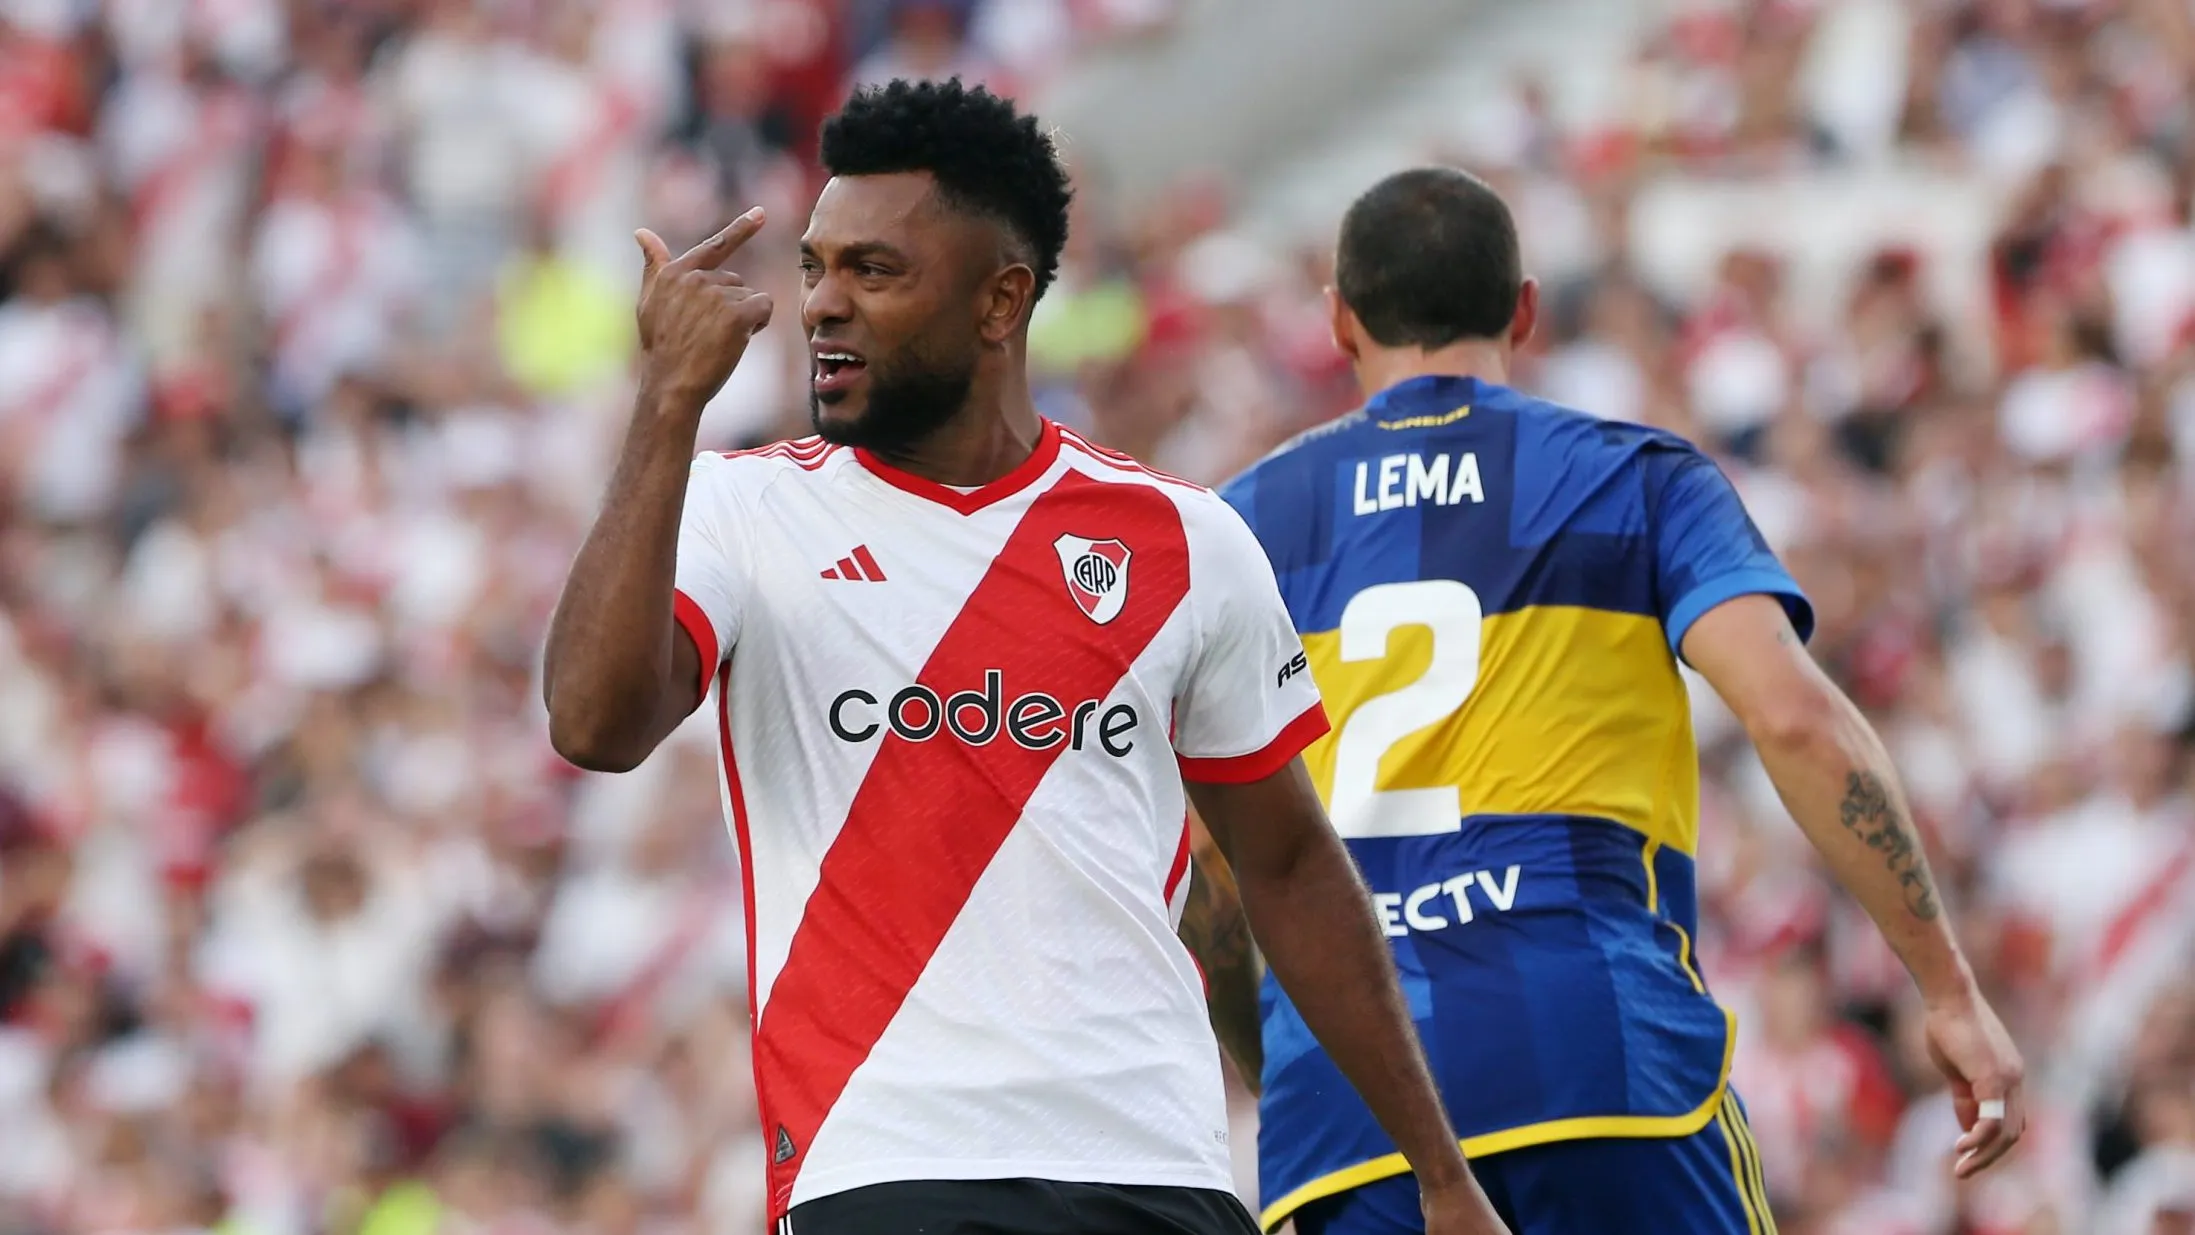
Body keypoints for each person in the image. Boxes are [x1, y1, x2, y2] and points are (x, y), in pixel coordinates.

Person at [539, 82, 1509, 1235]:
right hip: (887, 1162)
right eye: (813, 268)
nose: (822, 307)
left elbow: (1284, 873)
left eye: (873, 271)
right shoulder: (743, 509)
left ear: (1001, 300)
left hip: (1157, 1168)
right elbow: (592, 725)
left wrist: (1439, 1172)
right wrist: (664, 406)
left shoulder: (1186, 541)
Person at [1181, 167, 2028, 1235]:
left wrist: (1316, 1056)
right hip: (1599, 1062)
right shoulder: (1632, 477)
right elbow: (1793, 717)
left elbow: (1202, 866)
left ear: (1338, 321)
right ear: (1524, 309)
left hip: (1346, 1122)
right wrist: (1945, 989)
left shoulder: (1231, 532)